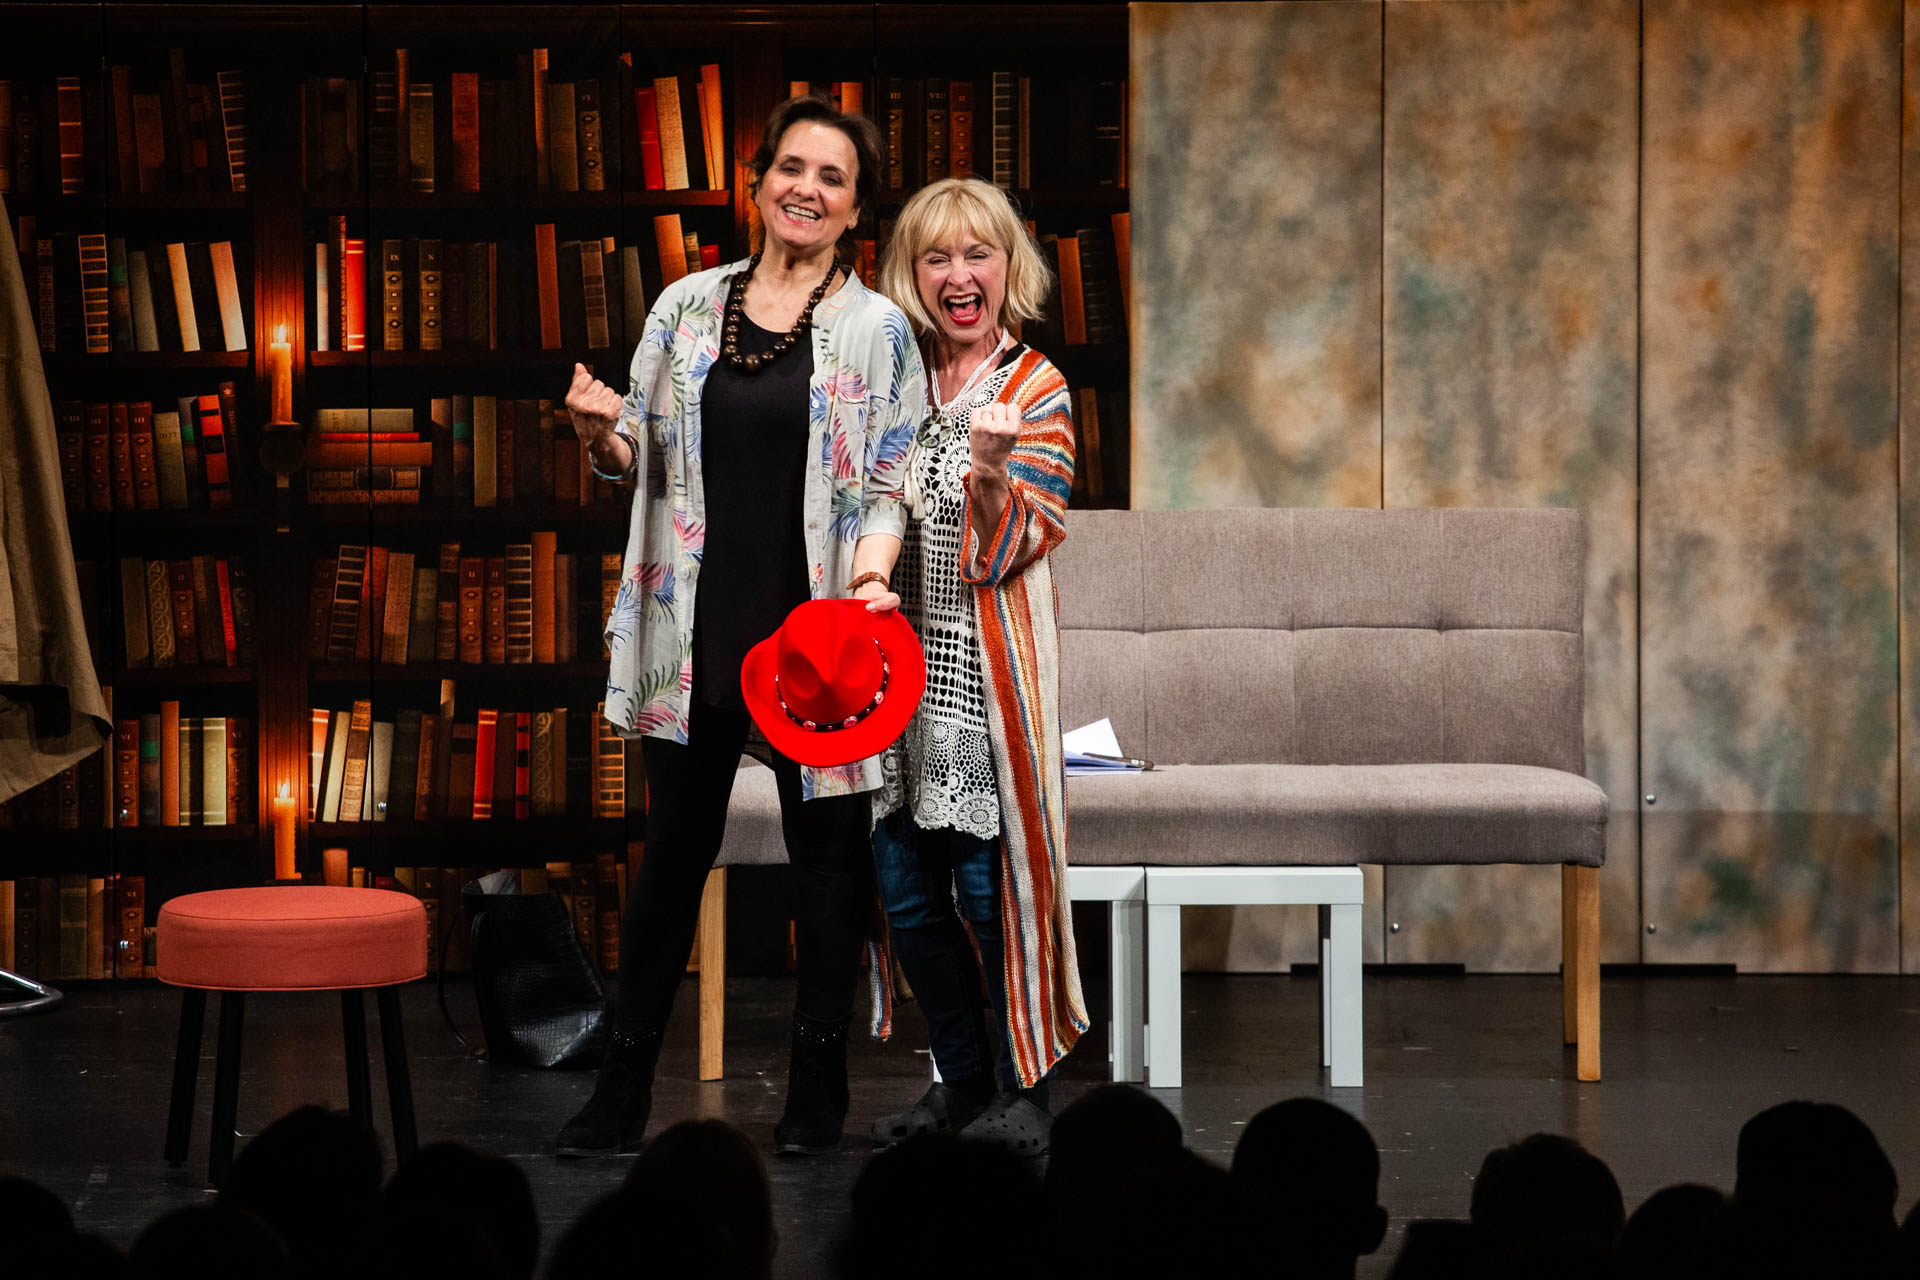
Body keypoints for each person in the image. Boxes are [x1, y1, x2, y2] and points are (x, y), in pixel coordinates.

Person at [560, 91, 922, 1157]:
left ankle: (815, 1093)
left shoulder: (877, 329)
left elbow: (891, 480)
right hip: (698, 627)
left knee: (827, 870)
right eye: (791, 168)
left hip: (819, 641)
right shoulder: (684, 306)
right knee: (673, 857)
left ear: (856, 209)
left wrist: (870, 579)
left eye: (832, 178)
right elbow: (632, 453)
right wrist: (596, 434)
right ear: (757, 182)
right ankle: (621, 1093)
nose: (806, 189)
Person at [866, 176, 1085, 1153]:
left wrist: (989, 468)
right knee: (911, 899)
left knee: (994, 904)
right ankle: (958, 1082)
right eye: (937, 257)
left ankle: (1024, 1091)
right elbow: (863, 503)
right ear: (912, 275)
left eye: (977, 254)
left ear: (1008, 267)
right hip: (891, 690)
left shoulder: (1036, 388)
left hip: (986, 689)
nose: (959, 275)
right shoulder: (897, 384)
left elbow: (1009, 550)